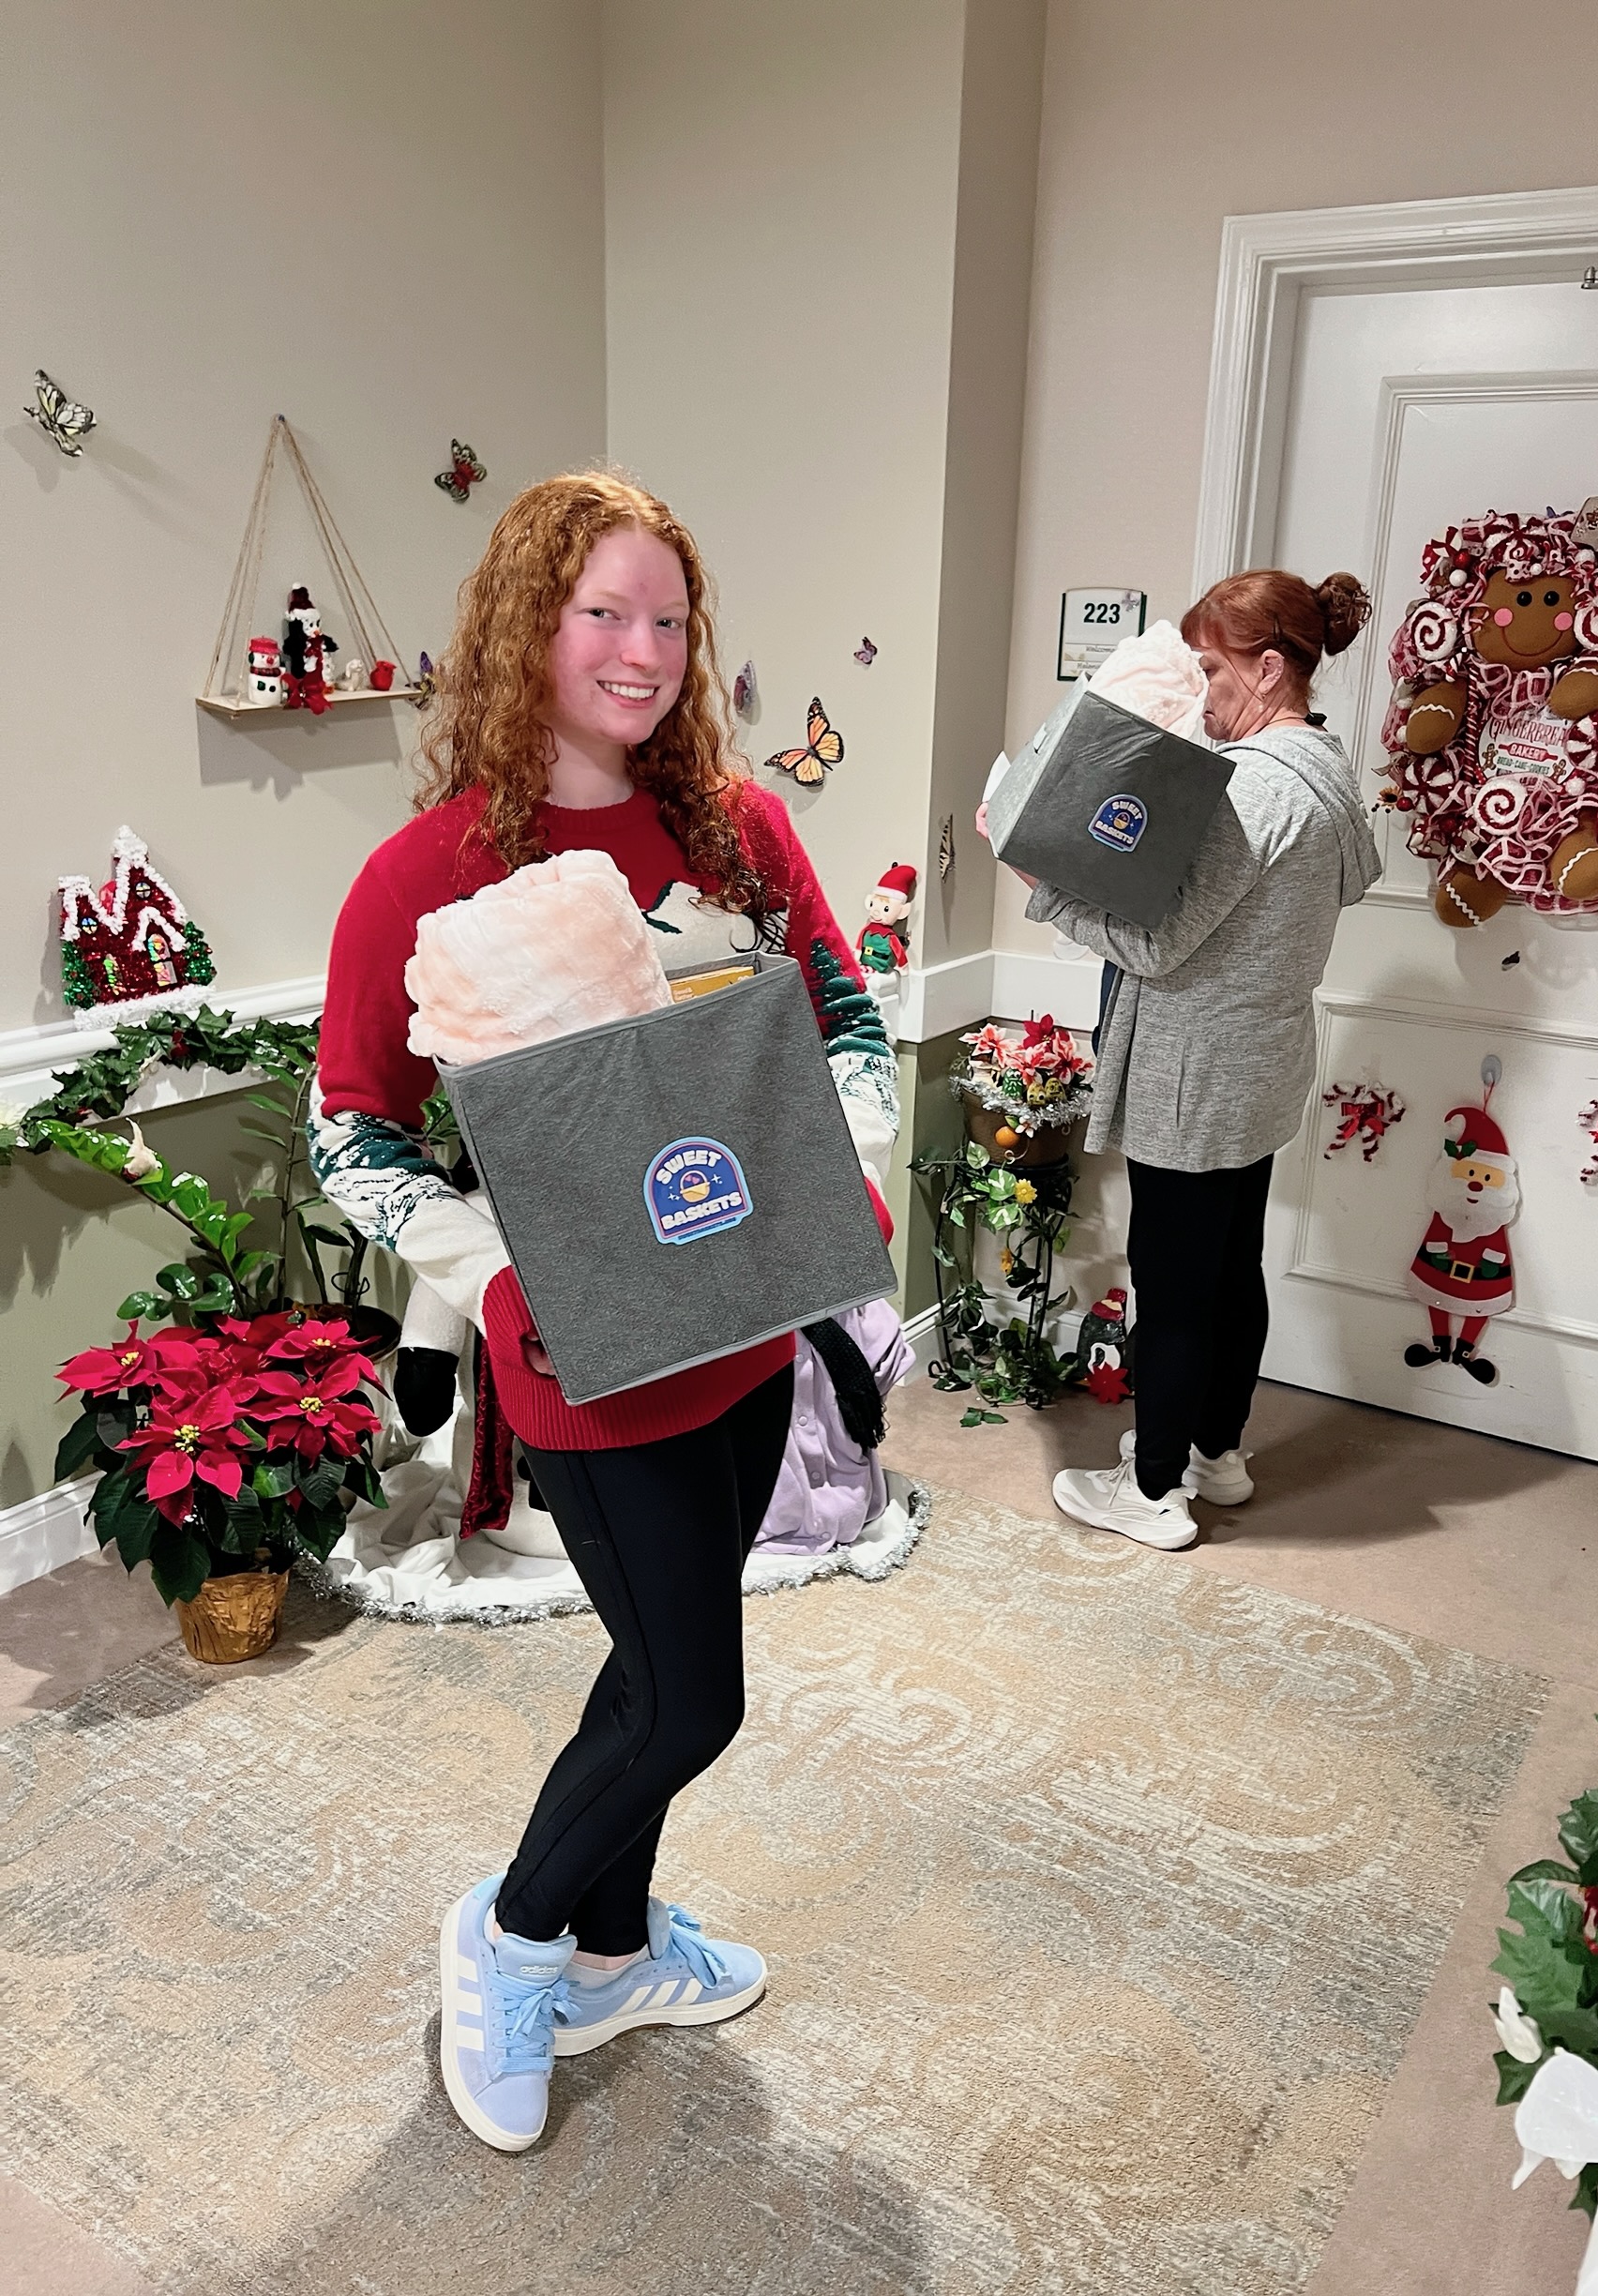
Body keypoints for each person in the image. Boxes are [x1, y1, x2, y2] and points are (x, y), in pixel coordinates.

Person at [309, 472, 898, 2152]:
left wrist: (821, 1159)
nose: (643, 652)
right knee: (691, 1696)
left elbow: (843, 1016)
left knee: (653, 1664)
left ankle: (618, 1948)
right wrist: (500, 1269)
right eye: (604, 616)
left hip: (740, 1320)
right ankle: (506, 1938)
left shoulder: (733, 828)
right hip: (583, 1362)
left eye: (668, 619)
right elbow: (352, 1127)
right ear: (527, 627)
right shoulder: (424, 872)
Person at [1011, 569, 1381, 1550]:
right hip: (1260, 1062)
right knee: (1231, 1268)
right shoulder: (1329, 774)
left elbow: (1157, 943)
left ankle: (1154, 1490)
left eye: (1212, 668)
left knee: (1173, 1284)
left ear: (1269, 668)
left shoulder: (1254, 789)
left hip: (1195, 1069)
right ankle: (1218, 1451)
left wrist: (1042, 885)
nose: (1202, 690)